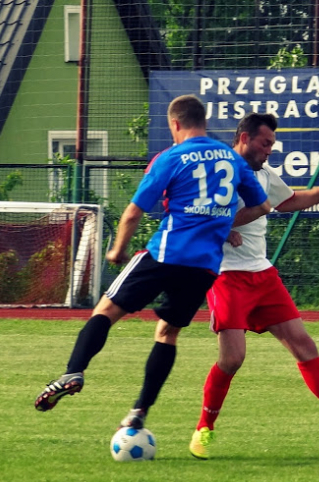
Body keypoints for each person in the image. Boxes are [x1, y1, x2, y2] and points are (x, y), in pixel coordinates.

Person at [34, 95, 270, 430]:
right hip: (204, 266)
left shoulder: (171, 157)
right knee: (168, 333)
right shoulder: (232, 158)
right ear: (203, 122)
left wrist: (117, 250)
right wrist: (219, 224)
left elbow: (133, 213)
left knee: (106, 311)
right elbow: (262, 207)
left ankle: (74, 371)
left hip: (165, 254)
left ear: (175, 124)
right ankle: (139, 411)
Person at [188, 112, 319, 460]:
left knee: (303, 345)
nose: (269, 150)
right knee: (232, 359)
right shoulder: (218, 170)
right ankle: (204, 429)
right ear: (244, 138)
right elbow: (192, 215)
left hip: (262, 274)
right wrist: (222, 228)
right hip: (226, 275)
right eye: (265, 143)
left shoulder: (264, 175)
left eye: (272, 145)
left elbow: (290, 200)